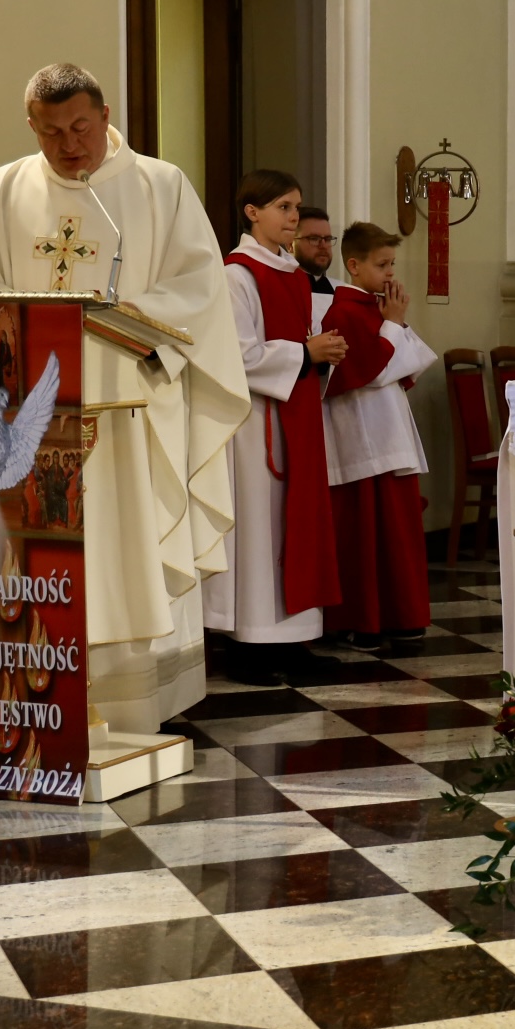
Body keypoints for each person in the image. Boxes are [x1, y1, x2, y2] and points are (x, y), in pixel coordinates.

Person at [0, 63, 250, 732]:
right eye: (50, 132)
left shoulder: (160, 187)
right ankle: (40, 697)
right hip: (30, 421)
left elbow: (200, 289)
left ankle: (129, 706)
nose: (68, 145)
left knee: (126, 547)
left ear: (106, 117)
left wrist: (121, 316)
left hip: (131, 414)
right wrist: (29, 322)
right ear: (31, 126)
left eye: (80, 128)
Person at [210, 170, 346, 684]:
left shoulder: (291, 272)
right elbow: (236, 355)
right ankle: (250, 645)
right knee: (261, 530)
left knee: (296, 527)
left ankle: (293, 639)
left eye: (296, 207)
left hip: (296, 415)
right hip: (256, 424)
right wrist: (306, 353)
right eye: (284, 207)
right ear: (252, 212)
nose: (294, 217)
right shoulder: (236, 275)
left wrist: (322, 353)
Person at [322, 223, 438, 656]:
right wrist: (393, 326)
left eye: (392, 264)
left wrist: (393, 324)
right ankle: (365, 621)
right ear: (354, 265)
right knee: (366, 535)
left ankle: (402, 616)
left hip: (389, 434)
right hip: (361, 439)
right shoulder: (343, 312)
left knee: (397, 535)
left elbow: (408, 366)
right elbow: (369, 369)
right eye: (381, 264)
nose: (390, 273)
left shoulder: (377, 310)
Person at [293, 207, 337, 294]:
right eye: (314, 238)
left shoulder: (340, 291)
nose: (324, 246)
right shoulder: (276, 287)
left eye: (327, 239)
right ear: (290, 244)